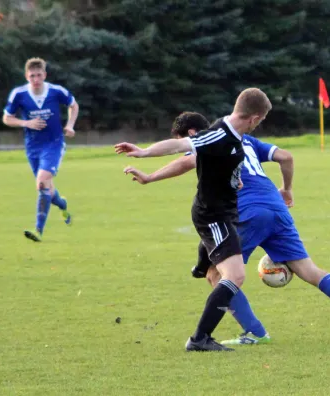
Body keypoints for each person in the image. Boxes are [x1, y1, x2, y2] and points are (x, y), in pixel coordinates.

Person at [123, 111, 330, 345]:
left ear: (191, 134)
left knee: (217, 273)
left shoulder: (210, 140)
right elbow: (285, 156)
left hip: (247, 212)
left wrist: (149, 176)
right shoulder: (247, 139)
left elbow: (185, 161)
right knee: (310, 271)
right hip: (277, 208)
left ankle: (255, 332)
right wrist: (286, 190)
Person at [115, 88, 273, 352]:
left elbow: (214, 163)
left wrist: (234, 179)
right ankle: (200, 338)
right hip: (213, 215)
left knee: (221, 271)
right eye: (261, 121)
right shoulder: (219, 134)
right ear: (254, 118)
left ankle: (203, 264)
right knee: (234, 277)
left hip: (223, 211)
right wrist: (143, 152)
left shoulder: (232, 133)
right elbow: (180, 146)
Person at [2, 57, 79, 242]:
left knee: (42, 183)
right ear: (26, 76)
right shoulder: (19, 94)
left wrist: (70, 125)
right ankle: (62, 204)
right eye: (32, 76)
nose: (35, 79)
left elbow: (73, 105)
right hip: (32, 147)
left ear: (44, 75)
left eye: (39, 75)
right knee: (46, 188)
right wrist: (26, 122)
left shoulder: (55, 91)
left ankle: (38, 230)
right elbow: (7, 118)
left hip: (54, 143)